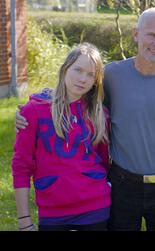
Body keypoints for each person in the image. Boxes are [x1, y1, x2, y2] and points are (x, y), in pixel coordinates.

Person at [16, 8, 155, 231]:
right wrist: (33, 105)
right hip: (123, 185)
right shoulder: (113, 75)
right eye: (151, 35)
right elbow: (76, 90)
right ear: (136, 34)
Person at [12, 43, 111, 231]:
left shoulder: (99, 115)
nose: (83, 79)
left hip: (96, 207)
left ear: (96, 81)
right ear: (65, 69)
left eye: (91, 75)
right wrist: (24, 219)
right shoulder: (34, 111)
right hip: (53, 212)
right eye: (78, 70)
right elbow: (21, 166)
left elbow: (103, 161)